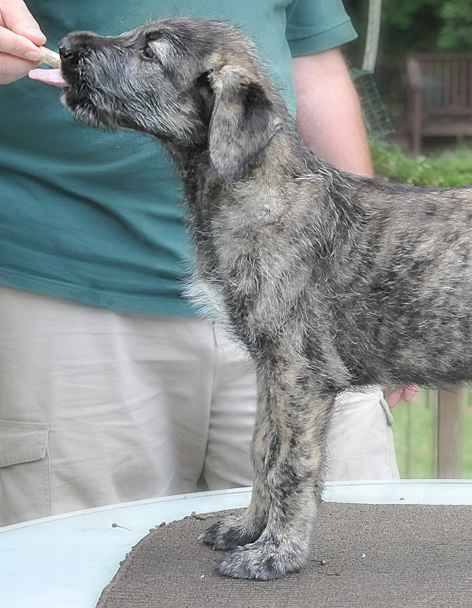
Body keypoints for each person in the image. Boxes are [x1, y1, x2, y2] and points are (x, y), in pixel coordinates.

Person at [0, 0, 416, 528]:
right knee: (82, 563)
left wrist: (371, 281)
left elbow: (316, 74)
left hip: (302, 297)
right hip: (68, 292)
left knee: (342, 553)